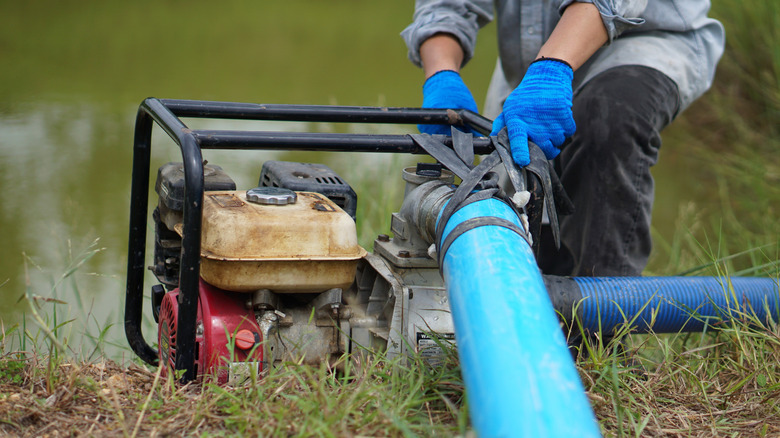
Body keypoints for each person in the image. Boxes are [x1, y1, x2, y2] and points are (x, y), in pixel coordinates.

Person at [402, 1, 724, 277]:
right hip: (532, 66)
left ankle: (603, 333)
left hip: (644, 40)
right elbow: (446, 6)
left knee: (606, 121)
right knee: (522, 209)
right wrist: (442, 73)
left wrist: (553, 68)